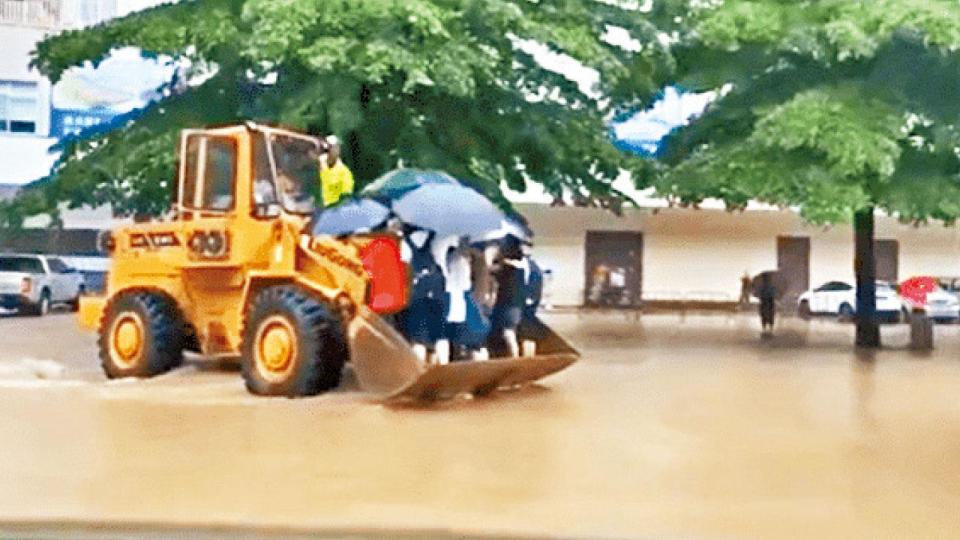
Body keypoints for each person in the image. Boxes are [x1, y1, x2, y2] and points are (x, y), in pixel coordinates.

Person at [397, 227, 446, 362]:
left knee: (418, 339)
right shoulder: (437, 239)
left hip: (417, 299)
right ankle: (443, 371)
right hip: (437, 296)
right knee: (439, 338)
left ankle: (419, 373)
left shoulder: (405, 243)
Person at [489, 235, 525, 357]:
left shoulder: (505, 267)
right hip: (517, 304)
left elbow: (491, 271)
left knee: (508, 333)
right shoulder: (521, 267)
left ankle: (514, 358)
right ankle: (515, 357)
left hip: (506, 304)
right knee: (510, 332)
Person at [318, 135, 354, 207]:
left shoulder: (344, 172)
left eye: (337, 147)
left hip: (334, 209)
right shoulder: (318, 165)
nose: (337, 150)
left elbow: (347, 197)